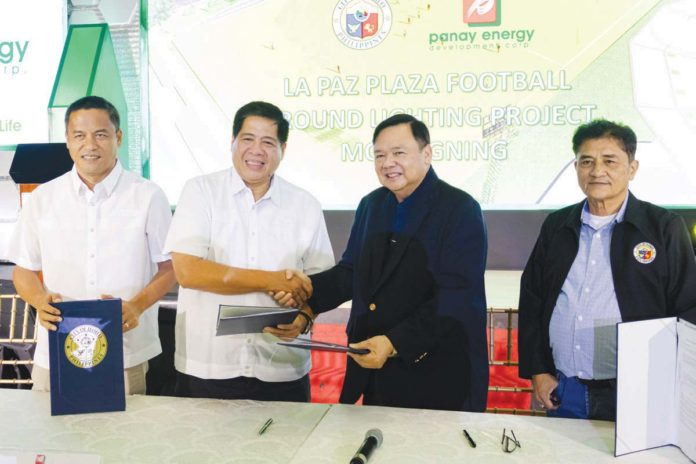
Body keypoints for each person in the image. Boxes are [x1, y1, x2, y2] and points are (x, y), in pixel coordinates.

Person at [269, 114, 489, 412]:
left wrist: (394, 341)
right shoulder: (372, 205)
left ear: (427, 154)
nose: (388, 163)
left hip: (435, 373)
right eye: (379, 155)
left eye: (399, 153)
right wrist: (306, 292)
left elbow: (456, 297)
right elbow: (351, 273)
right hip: (375, 368)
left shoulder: (460, 209)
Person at [518, 119, 696, 421]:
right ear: (576, 168)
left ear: (632, 168)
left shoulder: (662, 227)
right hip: (565, 387)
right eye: (586, 161)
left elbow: (688, 307)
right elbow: (532, 299)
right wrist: (538, 370)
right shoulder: (557, 225)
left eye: (609, 161)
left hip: (637, 390)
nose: (597, 171)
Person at [164, 101, 334, 401]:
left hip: (282, 367)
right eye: (247, 139)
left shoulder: (305, 205)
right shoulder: (200, 192)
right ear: (232, 142)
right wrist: (271, 280)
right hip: (209, 367)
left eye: (268, 142)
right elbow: (187, 272)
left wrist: (305, 316)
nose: (257, 150)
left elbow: (322, 281)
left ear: (283, 148)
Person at [9, 95, 176, 394]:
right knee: (50, 438)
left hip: (125, 350)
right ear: (68, 141)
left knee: (125, 438)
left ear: (118, 137)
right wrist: (38, 301)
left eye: (101, 135)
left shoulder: (148, 196)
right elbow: (23, 270)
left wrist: (137, 306)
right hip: (56, 349)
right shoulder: (43, 199)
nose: (90, 145)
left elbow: (169, 268)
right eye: (79, 136)